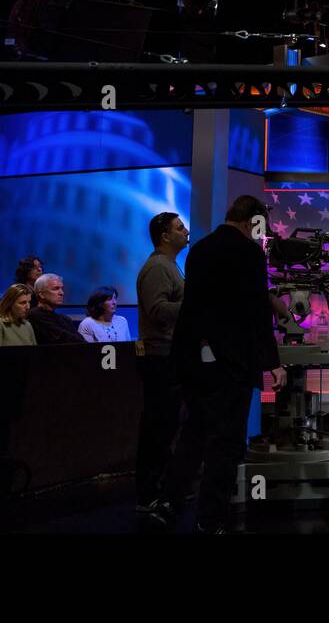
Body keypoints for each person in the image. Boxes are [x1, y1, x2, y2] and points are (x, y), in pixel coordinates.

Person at [167, 196, 287, 533]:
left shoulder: (200, 249)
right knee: (227, 443)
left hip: (194, 360)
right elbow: (255, 313)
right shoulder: (249, 253)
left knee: (194, 433)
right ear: (253, 221)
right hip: (231, 364)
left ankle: (170, 503)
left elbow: (196, 308)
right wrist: (273, 363)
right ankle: (211, 520)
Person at [134, 211, 189, 525]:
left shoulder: (169, 266)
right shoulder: (157, 267)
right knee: (158, 426)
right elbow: (157, 311)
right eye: (180, 227)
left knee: (165, 425)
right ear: (165, 236)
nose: (186, 231)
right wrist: (194, 305)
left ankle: (158, 490)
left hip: (168, 356)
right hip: (160, 358)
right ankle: (148, 494)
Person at [27, 273, 84, 344]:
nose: (62, 293)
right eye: (56, 288)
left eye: (62, 289)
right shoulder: (35, 315)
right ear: (41, 294)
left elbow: (81, 341)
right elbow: (62, 339)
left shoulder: (65, 319)